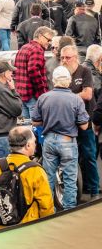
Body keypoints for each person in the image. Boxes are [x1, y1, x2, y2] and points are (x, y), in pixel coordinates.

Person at [32, 66, 89, 211]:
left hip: (49, 140)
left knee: (48, 178)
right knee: (70, 179)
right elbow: (83, 126)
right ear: (69, 81)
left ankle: (49, 209)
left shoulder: (44, 97)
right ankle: (69, 210)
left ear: (53, 80)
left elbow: (35, 121)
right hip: (67, 141)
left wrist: (48, 119)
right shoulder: (76, 99)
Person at [0, 126, 54, 230]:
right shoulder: (36, 171)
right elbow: (46, 205)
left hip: (1, 230)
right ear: (28, 145)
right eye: (34, 141)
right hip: (29, 230)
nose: (35, 144)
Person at [59, 44, 100, 201]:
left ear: (75, 57)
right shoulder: (60, 72)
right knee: (70, 158)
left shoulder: (85, 71)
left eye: (67, 57)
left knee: (89, 155)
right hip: (67, 123)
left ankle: (94, 190)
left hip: (85, 121)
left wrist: (66, 96)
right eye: (62, 57)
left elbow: (88, 94)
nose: (64, 60)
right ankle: (76, 191)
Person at [14, 26, 53, 118]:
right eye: (48, 40)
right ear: (40, 36)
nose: (49, 43)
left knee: (27, 128)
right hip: (32, 95)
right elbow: (33, 71)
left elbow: (16, 68)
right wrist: (42, 92)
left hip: (21, 93)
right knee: (36, 127)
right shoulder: (37, 50)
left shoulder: (24, 47)